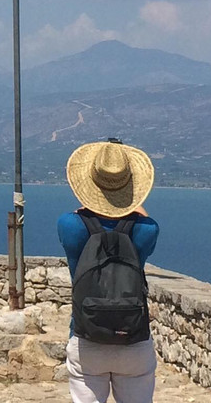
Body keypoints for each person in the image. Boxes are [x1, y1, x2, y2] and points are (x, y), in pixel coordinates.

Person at [58, 138, 160, 403]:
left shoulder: (69, 226)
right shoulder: (147, 230)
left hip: (86, 338)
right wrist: (129, 203)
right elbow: (143, 217)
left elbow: (77, 213)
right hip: (134, 341)